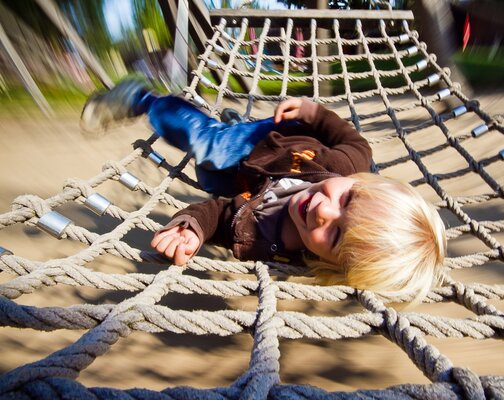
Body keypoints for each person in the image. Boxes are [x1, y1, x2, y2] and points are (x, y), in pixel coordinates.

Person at [81, 79, 446, 302]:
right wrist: (313, 112)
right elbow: (349, 137)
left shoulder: (268, 239)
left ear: (331, 264)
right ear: (357, 183)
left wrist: (191, 226)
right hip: (271, 142)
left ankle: (231, 122)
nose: (323, 211)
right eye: (347, 199)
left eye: (335, 235)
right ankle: (142, 98)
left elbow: (221, 214)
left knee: (210, 178)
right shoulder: (348, 164)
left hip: (246, 186)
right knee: (210, 145)